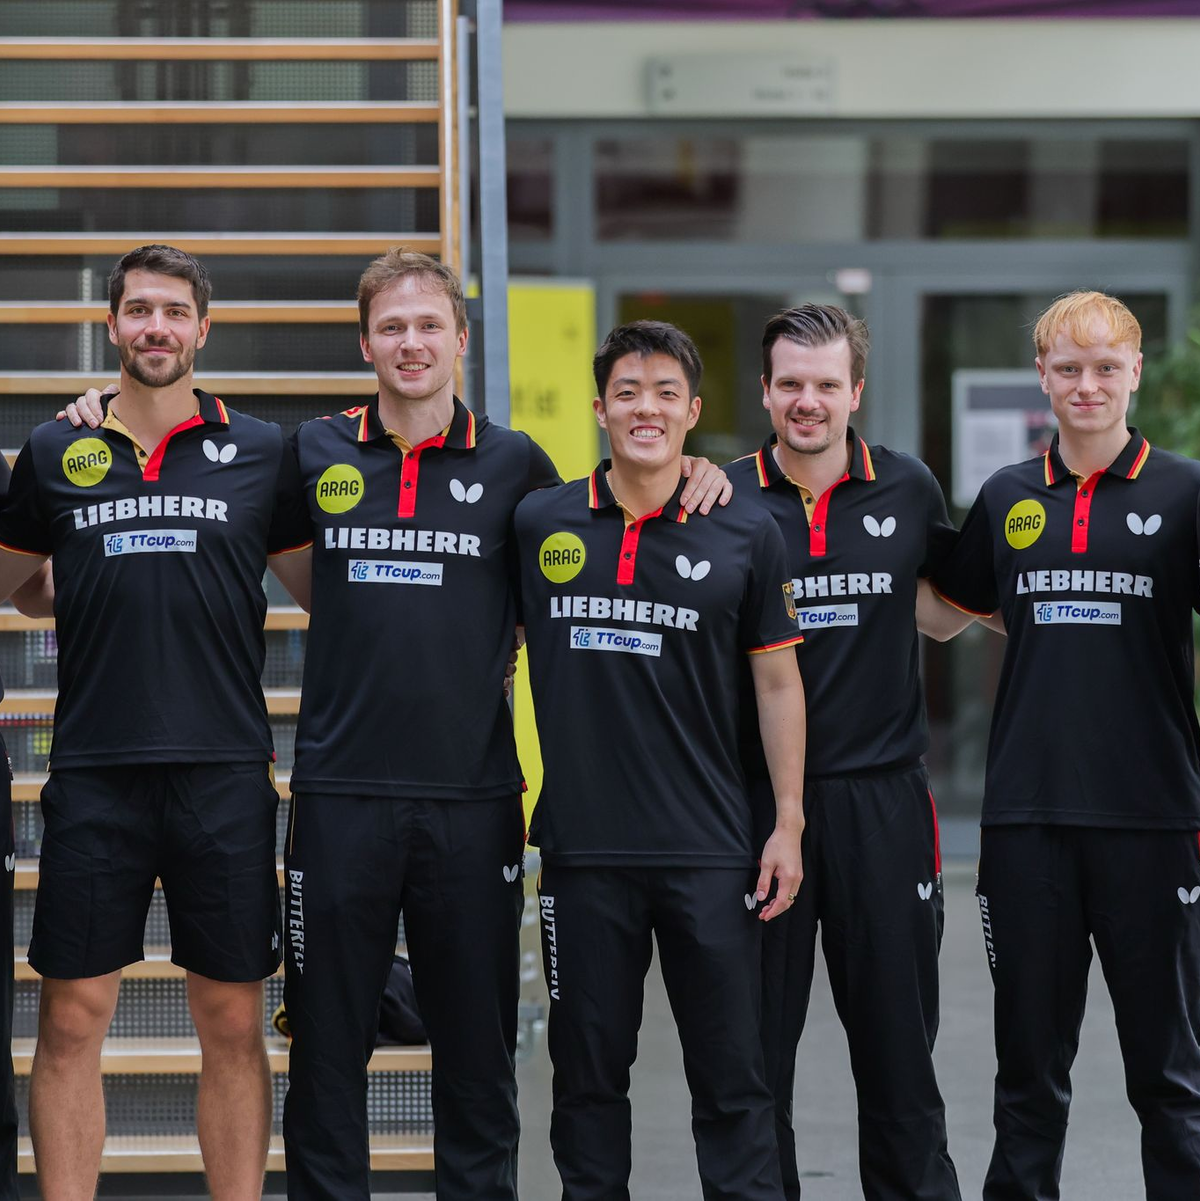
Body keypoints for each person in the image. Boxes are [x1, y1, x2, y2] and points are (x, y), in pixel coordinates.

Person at [0, 244, 313, 1198]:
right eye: (138, 310)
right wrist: (86, 578)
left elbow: (322, 592)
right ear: (112, 325)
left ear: (203, 329)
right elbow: (21, 589)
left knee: (229, 1020)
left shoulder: (262, 451)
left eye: (174, 311)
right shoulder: (60, 451)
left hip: (223, 770)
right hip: (95, 767)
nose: (156, 327)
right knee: (70, 1017)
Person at [515, 319, 806, 1200]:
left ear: (694, 410)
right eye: (629, 392)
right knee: (588, 1086)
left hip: (712, 855)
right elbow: (488, 655)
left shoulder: (746, 529)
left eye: (665, 392)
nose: (647, 408)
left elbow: (780, 687)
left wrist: (787, 821)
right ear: (600, 406)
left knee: (733, 1084)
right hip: (583, 855)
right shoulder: (540, 519)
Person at [933, 290, 1200, 1200]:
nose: (1088, 384)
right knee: (1027, 1081)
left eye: (1106, 366)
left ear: (1134, 373)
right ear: (1042, 377)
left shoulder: (1186, 490)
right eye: (1069, 368)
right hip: (1027, 821)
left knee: (1172, 1078)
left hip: (1153, 816)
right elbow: (940, 611)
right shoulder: (1008, 495)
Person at [726, 304, 973, 1201]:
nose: (807, 401)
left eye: (826, 383)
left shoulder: (907, 486)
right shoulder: (721, 495)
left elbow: (945, 610)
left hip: (883, 804)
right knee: (755, 1058)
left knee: (899, 1052)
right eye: (790, 383)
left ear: (855, 391)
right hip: (758, 812)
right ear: (764, 389)